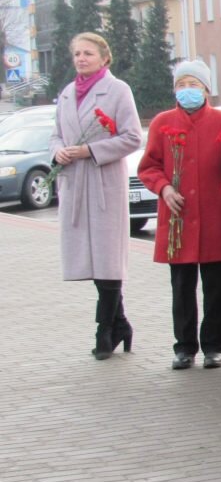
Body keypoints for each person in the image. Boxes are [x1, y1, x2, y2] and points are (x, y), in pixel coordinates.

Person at [138, 60, 221, 370]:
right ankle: (184, 347)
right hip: (178, 219)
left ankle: (214, 346)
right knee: (181, 288)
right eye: (181, 85)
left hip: (214, 218)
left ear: (206, 89)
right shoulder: (162, 123)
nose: (187, 91)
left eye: (193, 84)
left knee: (215, 287)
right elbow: (149, 166)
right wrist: (165, 188)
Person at [51, 32, 143, 359]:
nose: (81, 58)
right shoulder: (65, 95)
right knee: (90, 259)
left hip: (103, 181)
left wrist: (90, 149)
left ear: (104, 58)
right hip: (75, 182)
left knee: (107, 257)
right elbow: (56, 135)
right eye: (77, 53)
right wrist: (59, 151)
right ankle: (120, 323)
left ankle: (105, 328)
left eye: (88, 53)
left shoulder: (117, 90)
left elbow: (133, 137)